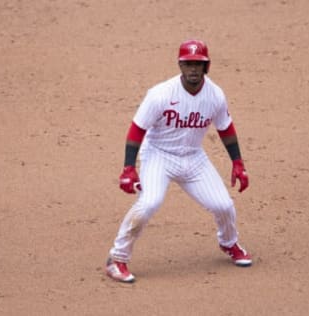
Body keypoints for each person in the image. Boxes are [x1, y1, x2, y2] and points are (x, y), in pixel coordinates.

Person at [105, 39, 252, 283]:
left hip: (194, 157)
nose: (193, 68)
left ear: (207, 66)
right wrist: (128, 167)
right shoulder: (160, 94)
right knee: (149, 203)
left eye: (198, 64)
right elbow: (137, 130)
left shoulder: (215, 95)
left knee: (224, 205)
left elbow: (226, 128)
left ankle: (229, 243)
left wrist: (238, 162)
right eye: (188, 63)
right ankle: (117, 258)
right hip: (158, 155)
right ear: (180, 65)